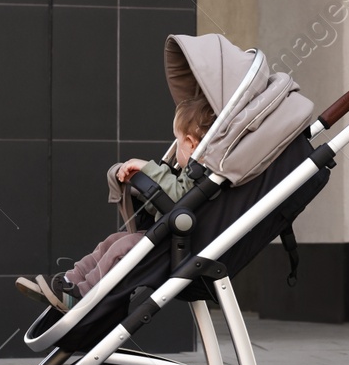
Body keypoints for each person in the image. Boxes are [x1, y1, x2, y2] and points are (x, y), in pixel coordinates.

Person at [16, 96, 215, 312]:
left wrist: (147, 169)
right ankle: (68, 282)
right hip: (167, 235)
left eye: (177, 141)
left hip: (176, 245)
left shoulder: (200, 176)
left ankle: (82, 294)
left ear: (190, 143)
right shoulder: (192, 175)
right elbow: (167, 204)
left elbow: (177, 198)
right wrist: (145, 192)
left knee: (122, 247)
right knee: (112, 241)